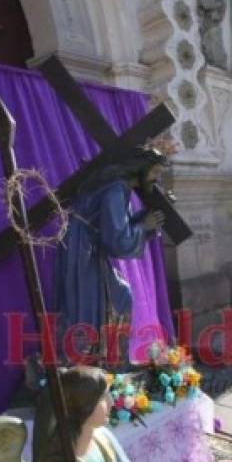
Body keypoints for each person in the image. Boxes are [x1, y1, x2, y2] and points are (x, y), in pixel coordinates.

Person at [53, 147, 167, 358]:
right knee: (92, 304)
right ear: (140, 169)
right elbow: (116, 241)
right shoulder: (116, 190)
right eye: (155, 172)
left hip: (86, 247)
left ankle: (103, 356)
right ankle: (86, 358)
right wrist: (143, 226)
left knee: (116, 296)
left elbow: (118, 226)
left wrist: (145, 222)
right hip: (82, 250)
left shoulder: (120, 189)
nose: (157, 179)